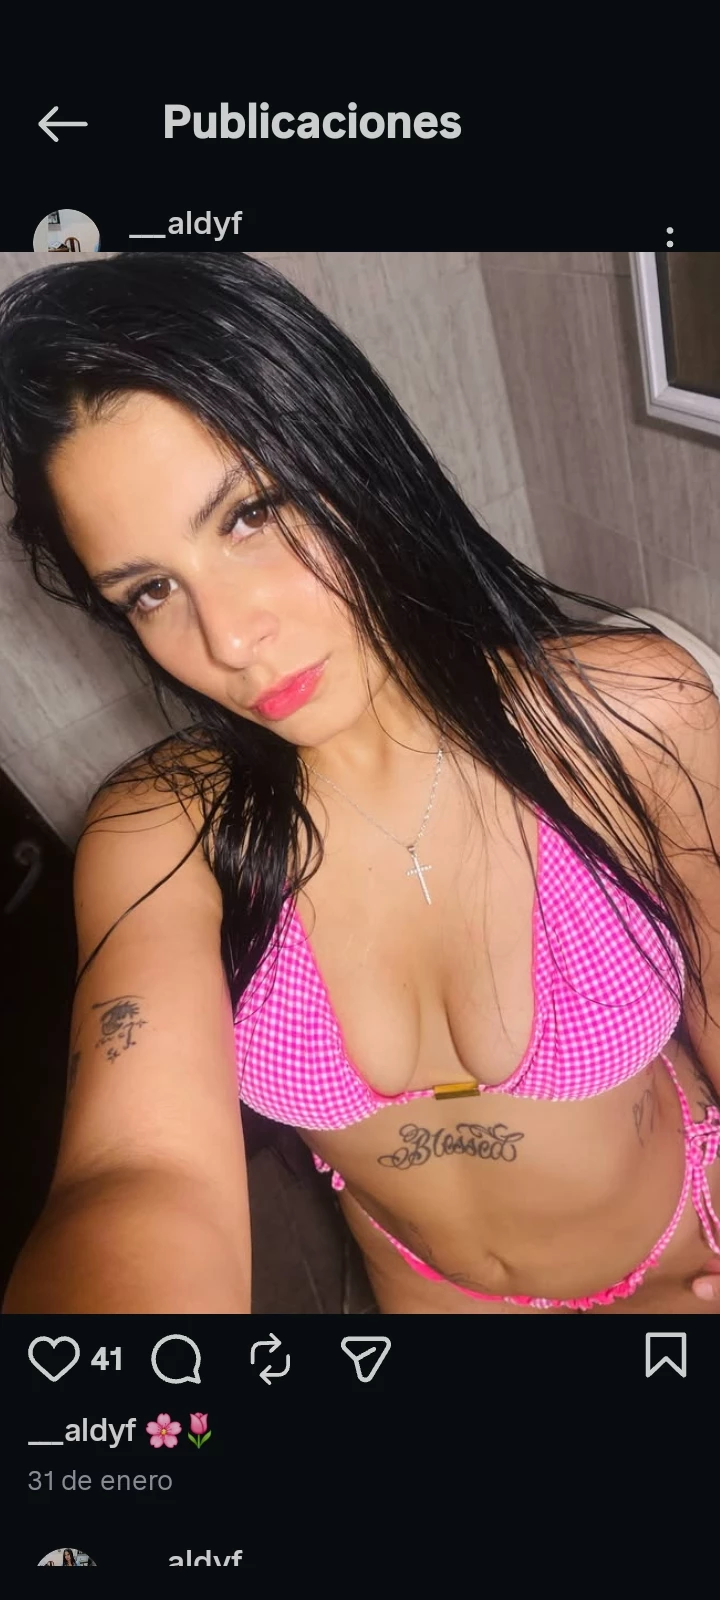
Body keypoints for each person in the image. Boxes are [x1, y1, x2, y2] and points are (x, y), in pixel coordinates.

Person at [0, 252, 718, 1316]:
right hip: (428, 1304)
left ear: (352, 455)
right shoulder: (160, 834)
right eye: (150, 590)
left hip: (681, 1263)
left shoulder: (628, 716)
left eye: (249, 515)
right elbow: (136, 1174)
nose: (227, 638)